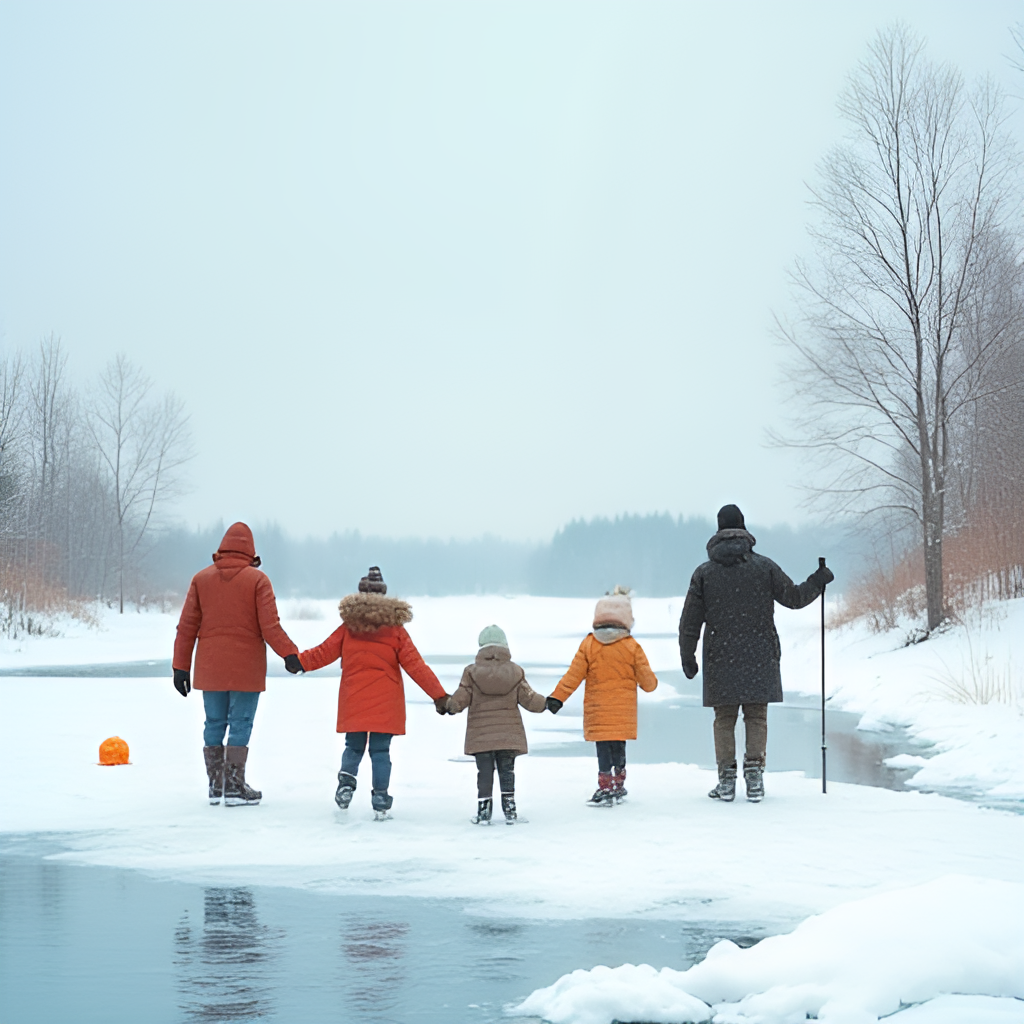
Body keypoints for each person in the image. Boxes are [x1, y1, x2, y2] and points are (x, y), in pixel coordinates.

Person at [678, 504, 834, 803]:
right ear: (744, 528)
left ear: (718, 530)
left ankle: (726, 781)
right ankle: (754, 778)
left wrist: (688, 655)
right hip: (759, 652)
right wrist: (818, 580)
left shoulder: (705, 573)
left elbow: (690, 620)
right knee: (756, 717)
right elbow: (795, 598)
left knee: (724, 718)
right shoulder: (764, 567)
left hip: (720, 655)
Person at [289, 567, 449, 819]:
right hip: (386, 702)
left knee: (353, 747)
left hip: (354, 698)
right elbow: (415, 665)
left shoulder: (348, 627)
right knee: (380, 751)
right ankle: (380, 796)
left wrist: (300, 662)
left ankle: (346, 784)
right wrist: (439, 695)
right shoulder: (395, 630)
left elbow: (323, 652)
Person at [172, 522, 301, 807]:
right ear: (251, 551)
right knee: (240, 722)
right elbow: (270, 627)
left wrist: (180, 667)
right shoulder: (257, 580)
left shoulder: (201, 579)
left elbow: (186, 627)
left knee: (214, 722)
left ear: (222, 548)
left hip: (210, 665)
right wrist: (291, 655)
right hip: (246, 666)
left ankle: (216, 785)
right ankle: (233, 785)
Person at [546, 588, 658, 806]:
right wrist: (649, 681)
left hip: (598, 711)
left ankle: (605, 785)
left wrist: (557, 698)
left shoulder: (589, 645)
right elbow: (649, 684)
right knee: (618, 745)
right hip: (622, 713)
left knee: (603, 748)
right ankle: (618, 783)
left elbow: (573, 676)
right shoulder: (632, 647)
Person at [447, 624, 547, 825]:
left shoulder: (471, 672)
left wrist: (449, 705)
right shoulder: (516, 671)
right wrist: (547, 703)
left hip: (481, 735)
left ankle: (484, 813)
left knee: (484, 772)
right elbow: (529, 699)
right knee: (507, 771)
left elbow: (461, 697)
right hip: (508, 735)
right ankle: (510, 811)